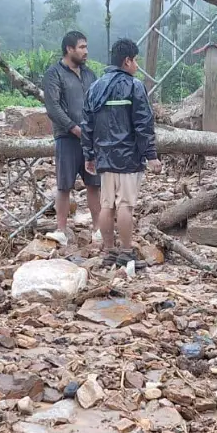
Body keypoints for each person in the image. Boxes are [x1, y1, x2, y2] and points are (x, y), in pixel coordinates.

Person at [81, 38, 160, 267]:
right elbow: (143, 123)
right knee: (125, 205)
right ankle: (126, 251)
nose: (136, 65)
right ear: (127, 61)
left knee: (107, 205)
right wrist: (151, 154)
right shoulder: (134, 86)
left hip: (104, 156)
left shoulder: (95, 87)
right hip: (128, 157)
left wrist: (89, 154)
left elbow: (87, 123)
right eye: (135, 60)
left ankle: (109, 251)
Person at [42, 30, 100, 245]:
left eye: (86, 47)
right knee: (64, 185)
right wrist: (74, 128)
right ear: (69, 49)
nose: (86, 51)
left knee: (94, 183)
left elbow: (97, 102)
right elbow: (53, 107)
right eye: (82, 47)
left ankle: (98, 230)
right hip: (66, 138)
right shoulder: (54, 74)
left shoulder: (89, 74)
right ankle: (61, 230)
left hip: (90, 139)